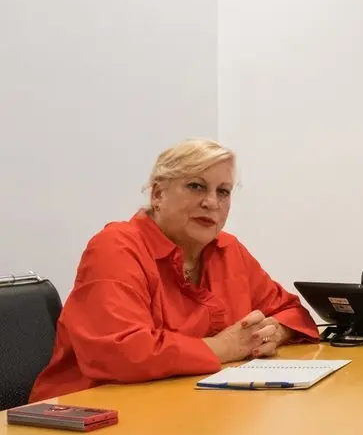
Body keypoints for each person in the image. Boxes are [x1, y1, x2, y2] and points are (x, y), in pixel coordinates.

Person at [30, 139, 319, 401]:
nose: (211, 203)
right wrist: (223, 348)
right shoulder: (116, 246)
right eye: (196, 186)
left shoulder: (229, 249)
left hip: (184, 407)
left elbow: (291, 312)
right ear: (158, 194)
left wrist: (274, 333)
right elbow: (120, 352)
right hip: (86, 413)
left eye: (223, 192)